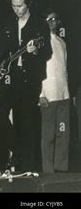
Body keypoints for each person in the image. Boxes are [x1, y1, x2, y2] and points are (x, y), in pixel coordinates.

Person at [0, 0, 52, 172]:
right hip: (11, 78)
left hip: (30, 80)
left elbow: (47, 52)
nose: (17, 10)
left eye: (20, 6)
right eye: (14, 6)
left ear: (28, 4)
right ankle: (18, 149)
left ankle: (29, 169)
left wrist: (35, 50)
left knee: (27, 123)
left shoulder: (40, 24)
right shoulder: (9, 22)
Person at [39, 11, 70, 172]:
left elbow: (63, 69)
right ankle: (48, 170)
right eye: (49, 19)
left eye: (55, 19)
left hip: (63, 95)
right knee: (48, 135)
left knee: (63, 133)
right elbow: (36, 71)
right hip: (48, 96)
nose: (52, 22)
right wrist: (40, 95)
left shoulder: (62, 42)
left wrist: (67, 93)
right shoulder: (39, 43)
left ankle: (61, 169)